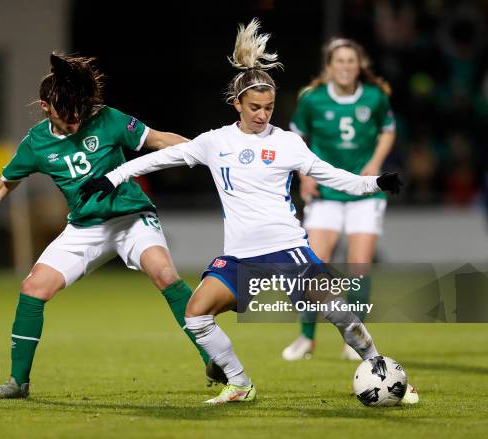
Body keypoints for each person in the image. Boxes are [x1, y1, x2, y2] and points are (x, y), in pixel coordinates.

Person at [81, 19, 417, 405]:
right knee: (196, 315)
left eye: (270, 107)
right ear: (236, 104)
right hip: (241, 257)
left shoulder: (288, 143)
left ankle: (386, 372)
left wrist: (375, 182)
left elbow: (336, 177)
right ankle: (240, 383)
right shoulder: (213, 142)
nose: (262, 115)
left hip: (288, 250)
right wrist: (112, 178)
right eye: (255, 107)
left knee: (340, 314)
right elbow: (159, 159)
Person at [0, 52, 222, 399]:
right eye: (66, 116)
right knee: (33, 289)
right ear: (45, 106)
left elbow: (159, 140)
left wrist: (210, 153)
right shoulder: (36, 144)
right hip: (85, 228)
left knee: (164, 274)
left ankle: (215, 359)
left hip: (131, 218)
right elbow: (0, 186)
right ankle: (18, 383)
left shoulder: (108, 120)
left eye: (79, 113)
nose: (75, 122)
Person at [283, 38, 396, 361]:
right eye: (340, 61)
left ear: (359, 66)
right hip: (325, 192)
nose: (345, 66)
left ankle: (353, 338)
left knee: (359, 267)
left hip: (363, 193)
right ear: (329, 67)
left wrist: (375, 163)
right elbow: (295, 140)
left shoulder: (375, 97)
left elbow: (388, 129)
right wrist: (304, 176)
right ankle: (306, 338)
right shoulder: (312, 100)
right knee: (314, 268)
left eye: (351, 61)